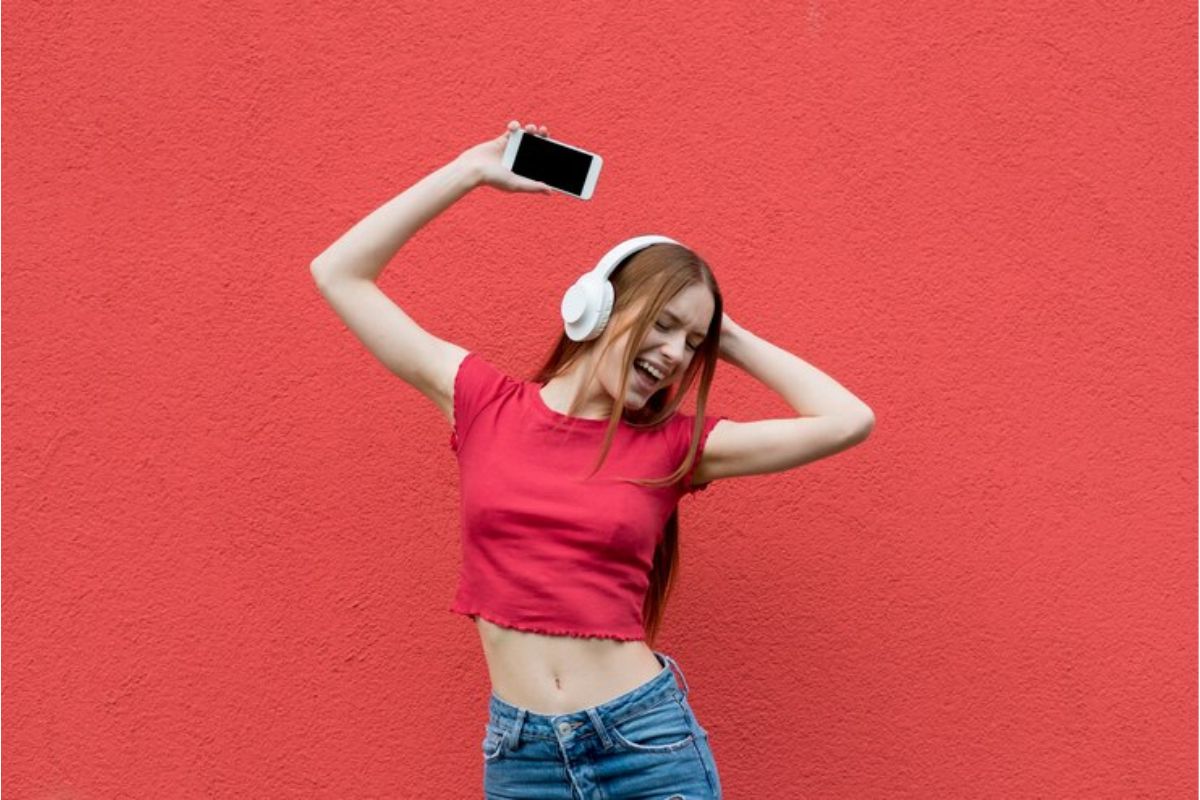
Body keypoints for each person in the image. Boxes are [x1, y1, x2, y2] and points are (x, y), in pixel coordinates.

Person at [310, 120, 875, 799]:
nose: (673, 353)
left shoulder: (674, 447)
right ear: (596, 307)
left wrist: (728, 336)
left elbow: (848, 421)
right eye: (662, 324)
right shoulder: (482, 403)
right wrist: (468, 172)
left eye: (690, 343)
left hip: (646, 747)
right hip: (521, 758)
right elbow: (339, 273)